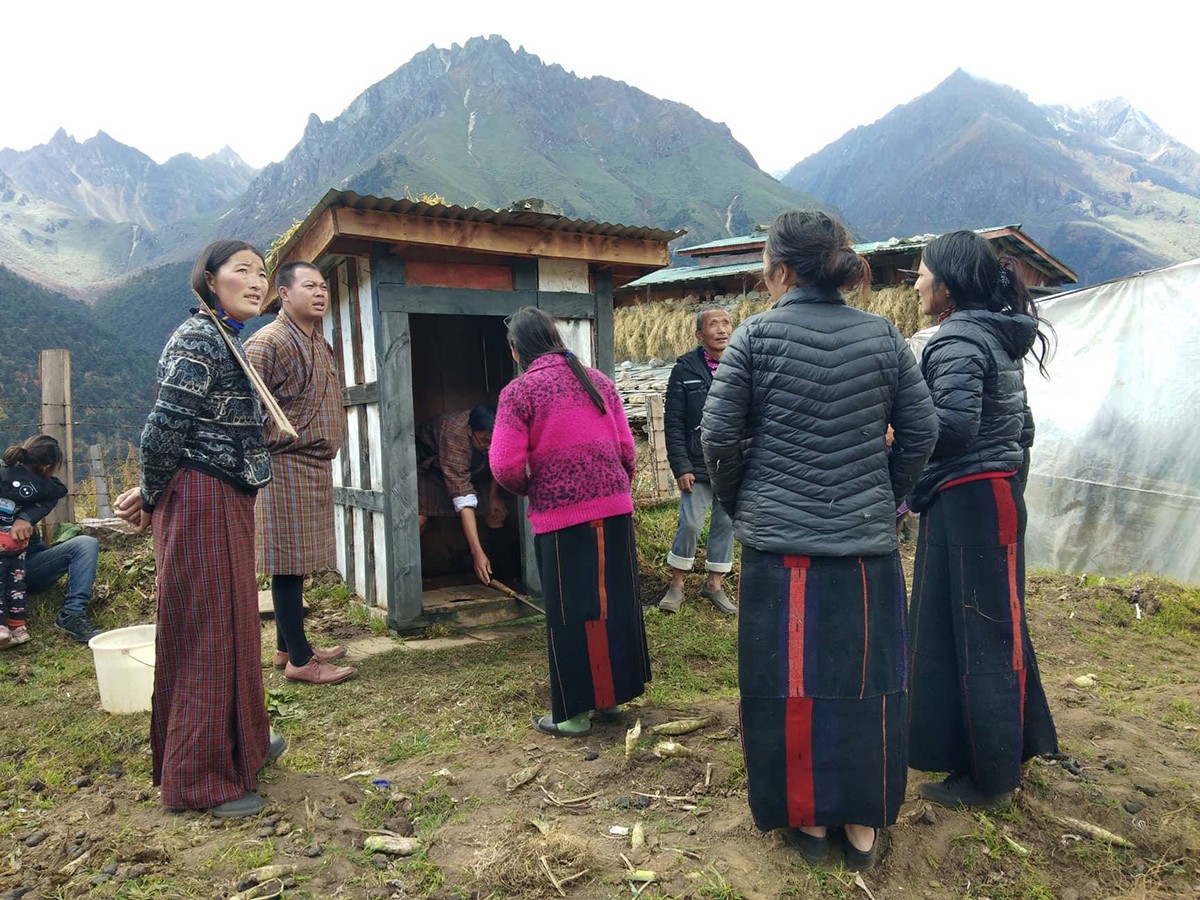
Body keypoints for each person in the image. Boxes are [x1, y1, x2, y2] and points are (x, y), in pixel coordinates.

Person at [701, 210, 938, 870]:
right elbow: (922, 435)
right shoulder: (885, 338)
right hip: (865, 552)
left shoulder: (753, 339)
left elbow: (717, 438)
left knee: (786, 684)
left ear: (778, 270)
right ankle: (862, 826)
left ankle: (803, 821)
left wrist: (742, 500)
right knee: (869, 685)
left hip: (780, 553)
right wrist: (884, 498)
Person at [114, 240, 283, 818]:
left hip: (223, 493)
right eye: (242, 271)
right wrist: (155, 496)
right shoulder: (196, 338)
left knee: (234, 621)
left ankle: (245, 748)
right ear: (211, 281)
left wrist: (154, 488)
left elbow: (195, 428)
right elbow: (162, 428)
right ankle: (198, 781)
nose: (257, 281)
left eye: (262, 273)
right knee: (207, 628)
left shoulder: (225, 339)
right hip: (202, 499)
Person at [907, 230, 1058, 810]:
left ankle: (991, 779)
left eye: (921, 273)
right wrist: (1005, 473)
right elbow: (1022, 430)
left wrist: (897, 432)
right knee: (990, 627)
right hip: (991, 495)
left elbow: (953, 428)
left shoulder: (956, 342)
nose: (916, 283)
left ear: (946, 283)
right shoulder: (994, 339)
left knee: (980, 634)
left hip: (968, 501)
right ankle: (1002, 751)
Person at [489, 307, 651, 737]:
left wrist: (534, 489)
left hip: (562, 520)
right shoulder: (598, 382)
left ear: (516, 349)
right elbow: (626, 452)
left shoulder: (520, 392)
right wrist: (612, 489)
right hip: (615, 511)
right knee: (612, 603)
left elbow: (505, 467)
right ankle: (611, 699)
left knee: (571, 611)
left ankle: (574, 715)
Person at [245, 261, 355, 686]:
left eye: (323, 286)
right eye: (309, 285)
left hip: (311, 465)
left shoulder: (317, 342)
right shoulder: (268, 341)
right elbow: (246, 410)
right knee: (287, 563)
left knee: (296, 561)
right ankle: (301, 661)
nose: (320, 292)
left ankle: (287, 646)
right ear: (284, 294)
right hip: (284, 464)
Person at [658, 306, 737, 615]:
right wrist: (681, 466)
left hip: (732, 463)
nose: (721, 329)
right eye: (713, 325)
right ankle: (676, 584)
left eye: (726, 323)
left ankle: (714, 585)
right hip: (697, 462)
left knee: (725, 522)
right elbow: (673, 421)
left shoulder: (743, 365)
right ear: (699, 335)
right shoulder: (685, 369)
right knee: (690, 524)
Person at [416, 405, 507, 585]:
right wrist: (476, 553)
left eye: (493, 442)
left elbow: (498, 459)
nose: (489, 447)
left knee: (496, 514)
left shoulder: (500, 429)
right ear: (469, 431)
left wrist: (493, 496)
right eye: (484, 442)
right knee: (419, 520)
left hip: (473, 469)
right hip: (428, 469)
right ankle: (408, 580)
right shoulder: (454, 435)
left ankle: (502, 574)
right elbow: (463, 497)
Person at [0, 435, 68, 648]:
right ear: (48, 467)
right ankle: (18, 628)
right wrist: (26, 517)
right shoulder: (44, 485)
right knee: (15, 583)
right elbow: (59, 490)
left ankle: (1, 628)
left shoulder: (3, 474)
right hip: (18, 545)